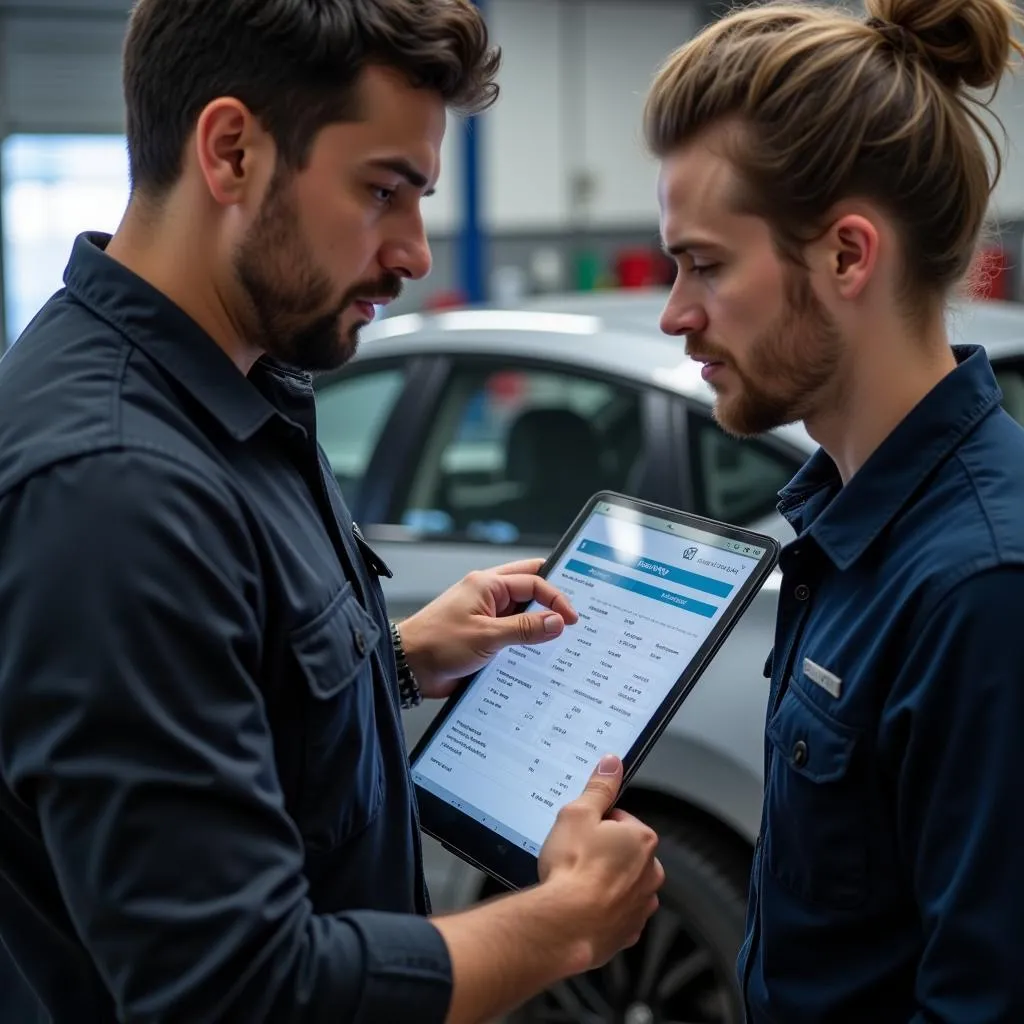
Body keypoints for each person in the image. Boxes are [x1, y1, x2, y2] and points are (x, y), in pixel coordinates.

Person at [0, 2, 664, 1022]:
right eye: (383, 190)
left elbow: (228, 705)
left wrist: (390, 663)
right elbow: (238, 990)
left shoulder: (240, 386)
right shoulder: (115, 487)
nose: (413, 252)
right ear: (231, 152)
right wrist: (565, 919)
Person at [642, 0, 1024, 1020]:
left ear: (849, 256)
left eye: (706, 263)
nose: (674, 312)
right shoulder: (844, 525)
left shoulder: (981, 592)